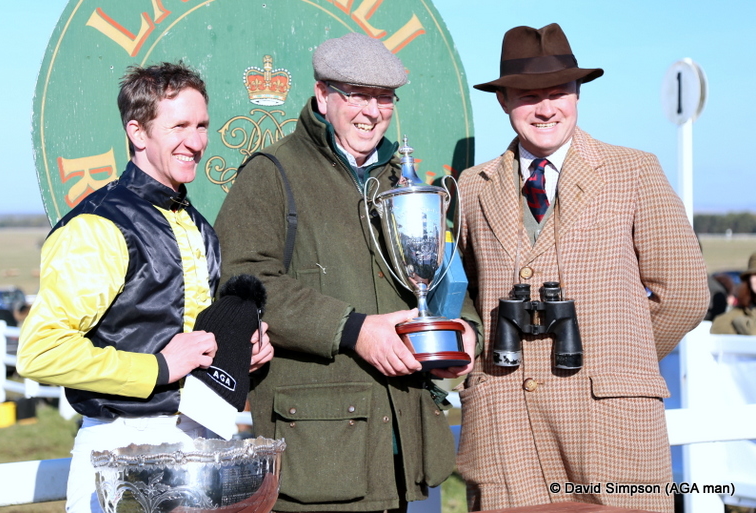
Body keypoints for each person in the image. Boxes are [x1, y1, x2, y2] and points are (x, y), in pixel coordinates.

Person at [214, 32, 481, 513]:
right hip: (319, 460)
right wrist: (354, 330)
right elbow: (243, 283)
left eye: (383, 98)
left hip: (405, 451)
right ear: (322, 96)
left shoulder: (402, 179)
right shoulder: (272, 173)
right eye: (355, 94)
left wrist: (464, 328)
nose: (371, 111)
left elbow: (440, 271)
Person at [456, 24, 709, 513]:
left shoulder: (634, 172)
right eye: (529, 96)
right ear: (503, 101)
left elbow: (683, 294)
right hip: (507, 425)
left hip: (611, 425)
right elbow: (465, 294)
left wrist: (617, 360)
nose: (546, 108)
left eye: (558, 92)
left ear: (577, 95)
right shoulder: (471, 186)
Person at [17, 62, 273, 513]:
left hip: (204, 441)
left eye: (202, 126)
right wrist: (157, 368)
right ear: (138, 132)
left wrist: (242, 350)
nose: (195, 141)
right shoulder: (98, 225)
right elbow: (40, 352)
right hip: (121, 447)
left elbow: (192, 337)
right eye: (179, 126)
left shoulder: (198, 226)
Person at [711, 252, 756, 334]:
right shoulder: (742, 311)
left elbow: (753, 330)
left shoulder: (740, 317)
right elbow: (717, 327)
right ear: (748, 279)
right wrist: (743, 324)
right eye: (754, 274)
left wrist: (741, 323)